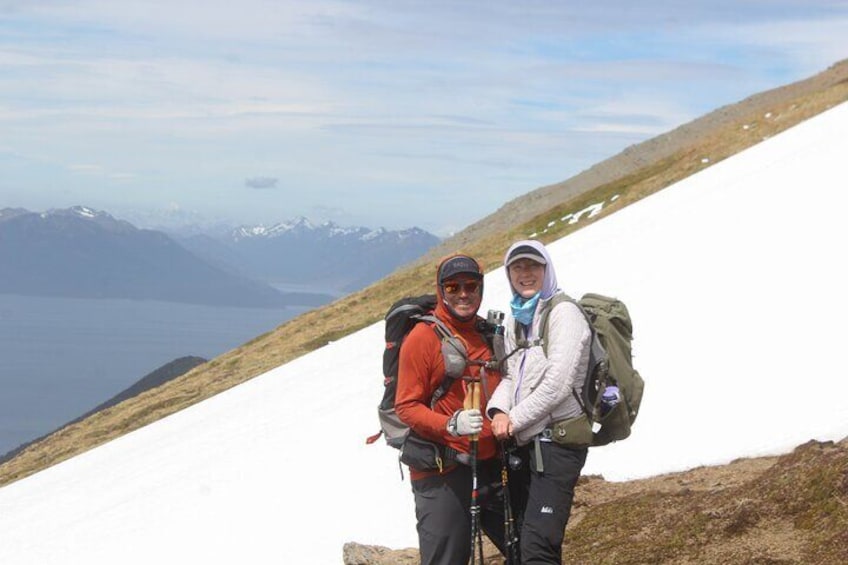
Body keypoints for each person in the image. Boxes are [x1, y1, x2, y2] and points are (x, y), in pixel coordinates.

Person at [395, 254, 506, 565]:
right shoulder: (422, 338)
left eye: (471, 286)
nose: (463, 294)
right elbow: (405, 405)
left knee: (527, 547)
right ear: (441, 290)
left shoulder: (488, 332)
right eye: (453, 287)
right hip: (443, 469)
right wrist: (450, 425)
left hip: (491, 461)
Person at [488, 239, 592, 564]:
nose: (525, 273)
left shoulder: (564, 314)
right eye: (517, 267)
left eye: (533, 265)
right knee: (521, 542)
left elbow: (558, 385)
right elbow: (509, 375)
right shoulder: (518, 318)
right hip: (526, 444)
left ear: (546, 269)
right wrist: (498, 410)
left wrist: (513, 420)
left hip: (557, 445)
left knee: (537, 546)